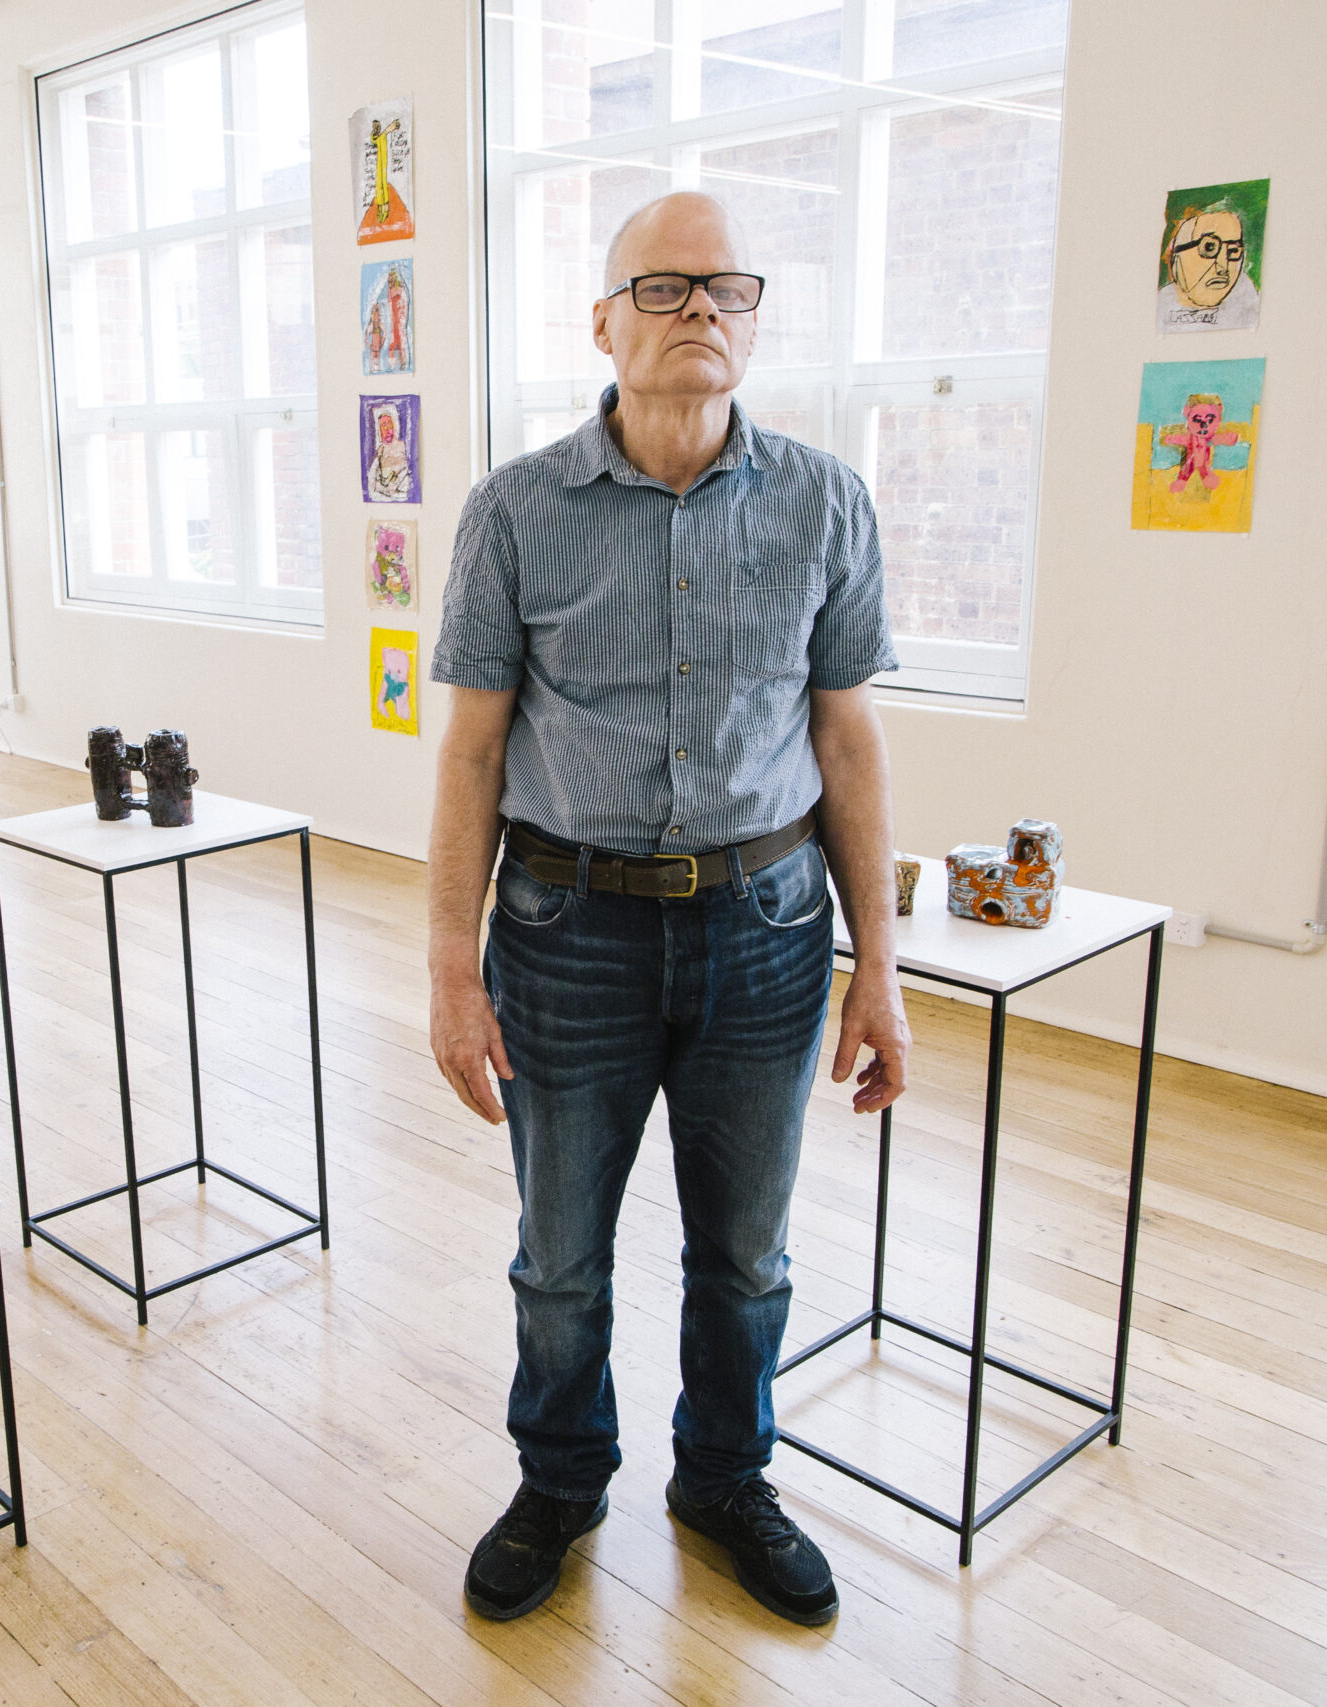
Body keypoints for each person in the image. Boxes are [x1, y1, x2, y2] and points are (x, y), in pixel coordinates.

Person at [427, 190, 909, 1629]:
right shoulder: (516, 511)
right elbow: (467, 750)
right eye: (666, 285)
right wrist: (452, 969)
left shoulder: (826, 500)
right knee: (560, 1255)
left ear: (755, 325)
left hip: (765, 930)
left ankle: (725, 1473)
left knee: (746, 1251)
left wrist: (876, 963)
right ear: (603, 321)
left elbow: (847, 743)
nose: (702, 308)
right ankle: (562, 1473)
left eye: (729, 289)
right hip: (569, 933)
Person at [1155, 204, 1259, 332]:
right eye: (1209, 248)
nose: (1223, 267)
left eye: (1233, 251)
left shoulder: (1248, 307)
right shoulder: (1158, 309)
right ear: (1174, 254)